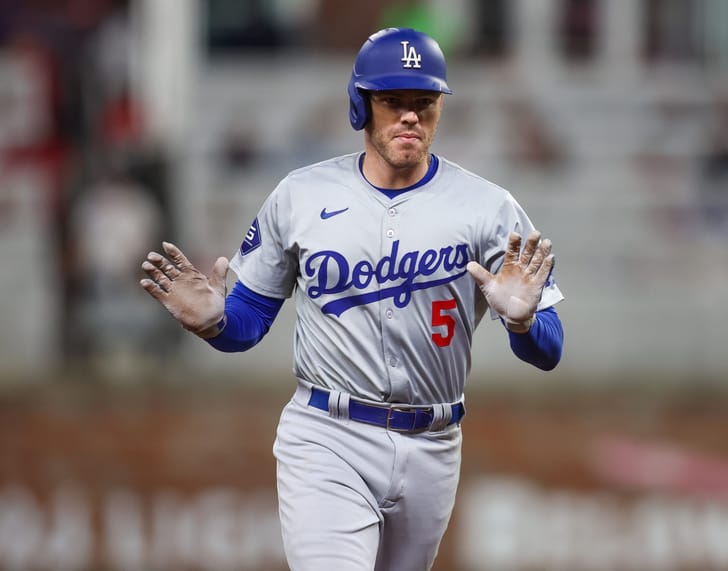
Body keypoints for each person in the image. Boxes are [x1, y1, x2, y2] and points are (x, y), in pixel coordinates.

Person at [139, 27, 564, 571]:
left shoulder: (489, 207)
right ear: (360, 106)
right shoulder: (301, 194)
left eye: (424, 103)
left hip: (434, 443)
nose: (410, 116)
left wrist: (525, 324)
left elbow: (548, 351)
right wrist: (216, 323)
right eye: (392, 102)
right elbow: (247, 325)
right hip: (327, 435)